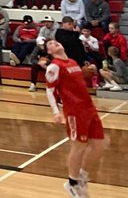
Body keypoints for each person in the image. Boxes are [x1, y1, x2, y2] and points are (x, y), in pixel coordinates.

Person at [45, 37, 106, 197]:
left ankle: (83, 177)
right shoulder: (54, 66)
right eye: (50, 44)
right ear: (49, 52)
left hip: (89, 108)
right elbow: (50, 90)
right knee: (79, 146)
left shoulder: (72, 62)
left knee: (99, 144)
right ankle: (72, 183)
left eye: (55, 41)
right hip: (75, 111)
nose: (54, 43)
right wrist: (56, 112)